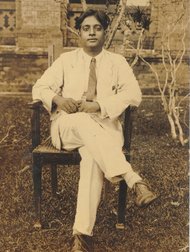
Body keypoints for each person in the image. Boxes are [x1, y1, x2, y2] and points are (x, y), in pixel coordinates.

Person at [32, 9, 157, 252]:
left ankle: (81, 235)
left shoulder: (116, 62)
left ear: (104, 32)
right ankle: (133, 179)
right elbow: (39, 88)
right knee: (81, 121)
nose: (91, 33)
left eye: (97, 28)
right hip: (68, 126)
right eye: (86, 28)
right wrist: (58, 99)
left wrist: (99, 105)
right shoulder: (66, 61)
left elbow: (134, 95)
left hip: (103, 130)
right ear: (78, 32)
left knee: (91, 158)